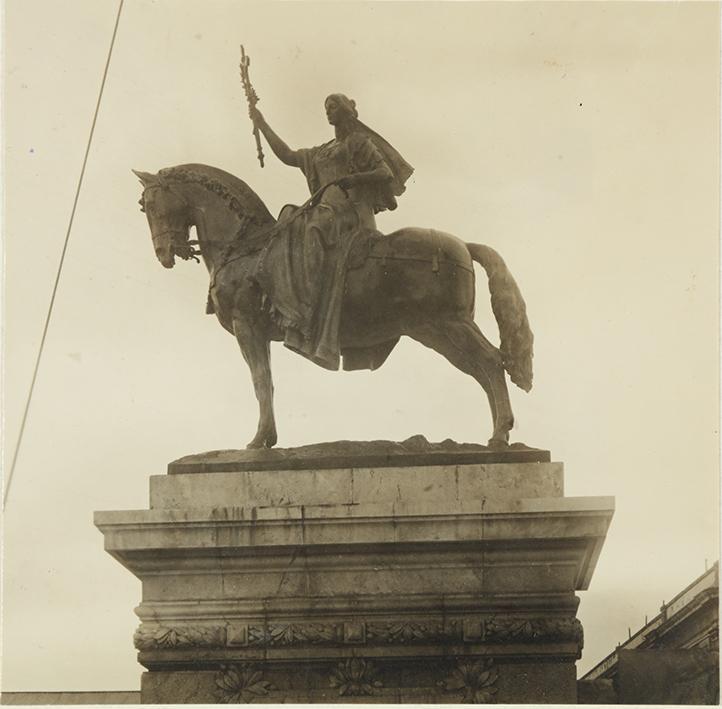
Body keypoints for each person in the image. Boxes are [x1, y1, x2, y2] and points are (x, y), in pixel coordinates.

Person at [249, 94, 413, 370]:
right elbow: (288, 155)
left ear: (348, 111)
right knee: (289, 217)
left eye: (333, 106)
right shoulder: (322, 151)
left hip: (348, 214)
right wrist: (262, 124)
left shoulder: (359, 143)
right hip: (325, 211)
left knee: (311, 227)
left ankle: (308, 309)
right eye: (325, 107)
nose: (328, 111)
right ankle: (297, 301)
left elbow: (384, 173)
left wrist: (353, 179)